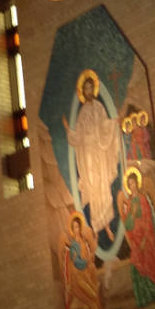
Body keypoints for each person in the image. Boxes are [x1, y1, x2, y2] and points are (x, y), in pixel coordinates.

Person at [63, 68, 121, 236]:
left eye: (90, 88)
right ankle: (96, 227)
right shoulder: (82, 113)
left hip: (99, 153)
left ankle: (108, 226)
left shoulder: (99, 108)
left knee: (102, 185)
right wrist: (68, 130)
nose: (88, 91)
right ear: (83, 92)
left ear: (93, 90)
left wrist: (114, 122)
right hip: (87, 155)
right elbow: (78, 137)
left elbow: (104, 126)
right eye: (85, 89)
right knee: (93, 187)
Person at [117, 166, 155, 308]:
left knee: (149, 264)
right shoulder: (131, 203)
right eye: (130, 184)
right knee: (136, 266)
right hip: (136, 240)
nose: (132, 186)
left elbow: (147, 219)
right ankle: (143, 300)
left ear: (137, 184)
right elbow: (129, 223)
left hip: (146, 238)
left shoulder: (143, 200)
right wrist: (127, 216)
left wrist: (145, 238)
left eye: (133, 183)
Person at [61, 214, 112, 309]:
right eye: (74, 227)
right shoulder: (74, 246)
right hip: (78, 279)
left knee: (93, 301)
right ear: (72, 230)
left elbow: (90, 256)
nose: (77, 230)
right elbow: (77, 262)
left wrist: (90, 258)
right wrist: (87, 261)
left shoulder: (84, 242)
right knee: (93, 297)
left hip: (87, 276)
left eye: (78, 227)